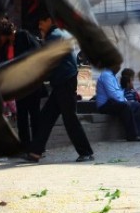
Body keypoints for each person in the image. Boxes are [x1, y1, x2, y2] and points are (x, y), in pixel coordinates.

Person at [27, 12, 94, 163]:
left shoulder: (55, 36)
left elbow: (47, 59)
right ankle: (35, 152)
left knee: (69, 118)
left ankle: (86, 152)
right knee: (46, 116)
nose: (39, 26)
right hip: (61, 82)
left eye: (41, 22)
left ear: (49, 20)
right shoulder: (55, 35)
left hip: (66, 81)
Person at [0, 16, 45, 161]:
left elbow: (37, 53)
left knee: (34, 115)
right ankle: (25, 147)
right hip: (18, 85)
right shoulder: (6, 47)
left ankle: (37, 147)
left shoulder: (24, 36)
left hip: (31, 83)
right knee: (22, 116)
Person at [93, 62, 140, 142]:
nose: (119, 67)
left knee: (136, 105)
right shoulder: (106, 75)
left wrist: (126, 101)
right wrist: (126, 102)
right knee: (126, 107)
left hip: (113, 102)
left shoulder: (112, 76)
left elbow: (119, 93)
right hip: (105, 105)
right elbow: (112, 94)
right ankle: (132, 136)